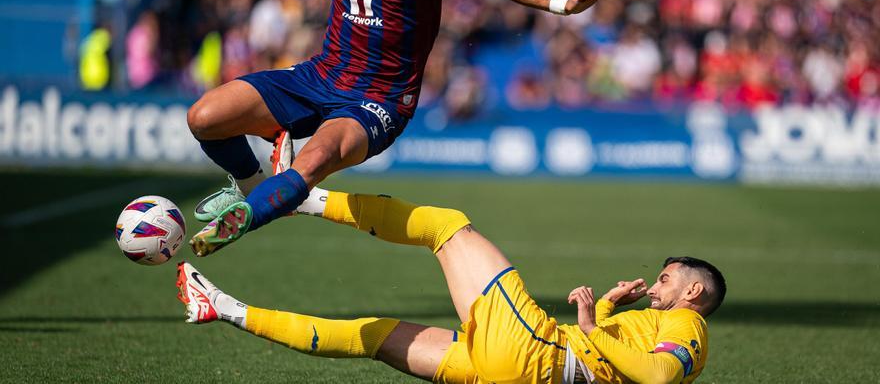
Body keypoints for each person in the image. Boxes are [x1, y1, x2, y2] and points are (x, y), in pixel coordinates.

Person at [184, 0, 624, 256]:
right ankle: (250, 187)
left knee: (313, 161)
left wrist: (560, 3)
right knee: (204, 118)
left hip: (378, 101)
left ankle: (243, 221)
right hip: (319, 76)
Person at [177, 187, 726, 383]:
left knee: (447, 226)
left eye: (666, 279)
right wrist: (605, 308)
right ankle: (222, 307)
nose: (656, 287)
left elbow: (656, 377)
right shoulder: (662, 323)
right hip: (515, 373)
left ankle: (298, 194)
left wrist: (587, 325)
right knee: (370, 337)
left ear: (694, 293)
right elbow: (613, 368)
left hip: (531, 351)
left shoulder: (686, 326)